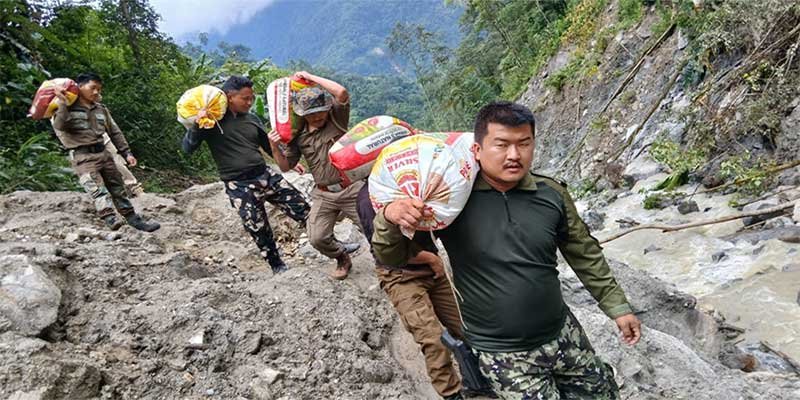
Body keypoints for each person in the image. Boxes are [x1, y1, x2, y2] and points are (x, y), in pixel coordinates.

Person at [372, 101, 642, 399]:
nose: (514, 155)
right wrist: (389, 217)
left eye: (524, 144)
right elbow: (392, 257)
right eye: (501, 145)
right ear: (477, 150)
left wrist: (617, 307)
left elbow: (585, 254)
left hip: (564, 335)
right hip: (502, 355)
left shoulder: (551, 194)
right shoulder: (448, 205)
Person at [182, 76, 310, 274]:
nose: (250, 103)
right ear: (230, 97)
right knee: (257, 226)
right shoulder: (212, 122)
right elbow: (187, 148)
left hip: (264, 174)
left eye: (252, 98)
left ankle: (332, 246)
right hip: (238, 184)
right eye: (245, 98)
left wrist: (289, 163)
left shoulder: (252, 118)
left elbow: (267, 144)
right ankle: (277, 266)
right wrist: (198, 124)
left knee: (302, 208)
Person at [356, 181, 468, 400]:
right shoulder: (367, 198)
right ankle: (451, 393)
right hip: (400, 275)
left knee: (464, 326)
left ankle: (477, 379)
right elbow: (382, 251)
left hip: (432, 268)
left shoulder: (421, 184)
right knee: (434, 339)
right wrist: (431, 258)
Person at [269, 71, 361, 280]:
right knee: (317, 238)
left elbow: (341, 92)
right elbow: (285, 166)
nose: (318, 117)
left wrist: (311, 77)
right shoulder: (298, 136)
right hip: (323, 194)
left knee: (374, 229)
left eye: (321, 112)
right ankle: (342, 257)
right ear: (302, 114)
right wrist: (274, 147)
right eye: (312, 114)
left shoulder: (336, 120)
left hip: (350, 188)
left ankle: (389, 267)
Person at [51, 72, 159, 232]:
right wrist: (62, 102)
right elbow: (59, 126)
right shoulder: (66, 108)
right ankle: (111, 221)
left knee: (118, 188)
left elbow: (115, 132)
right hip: (83, 156)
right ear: (80, 87)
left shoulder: (101, 109)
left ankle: (133, 219)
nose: (96, 92)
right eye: (92, 87)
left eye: (99, 89)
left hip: (103, 153)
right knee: (97, 190)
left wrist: (126, 152)